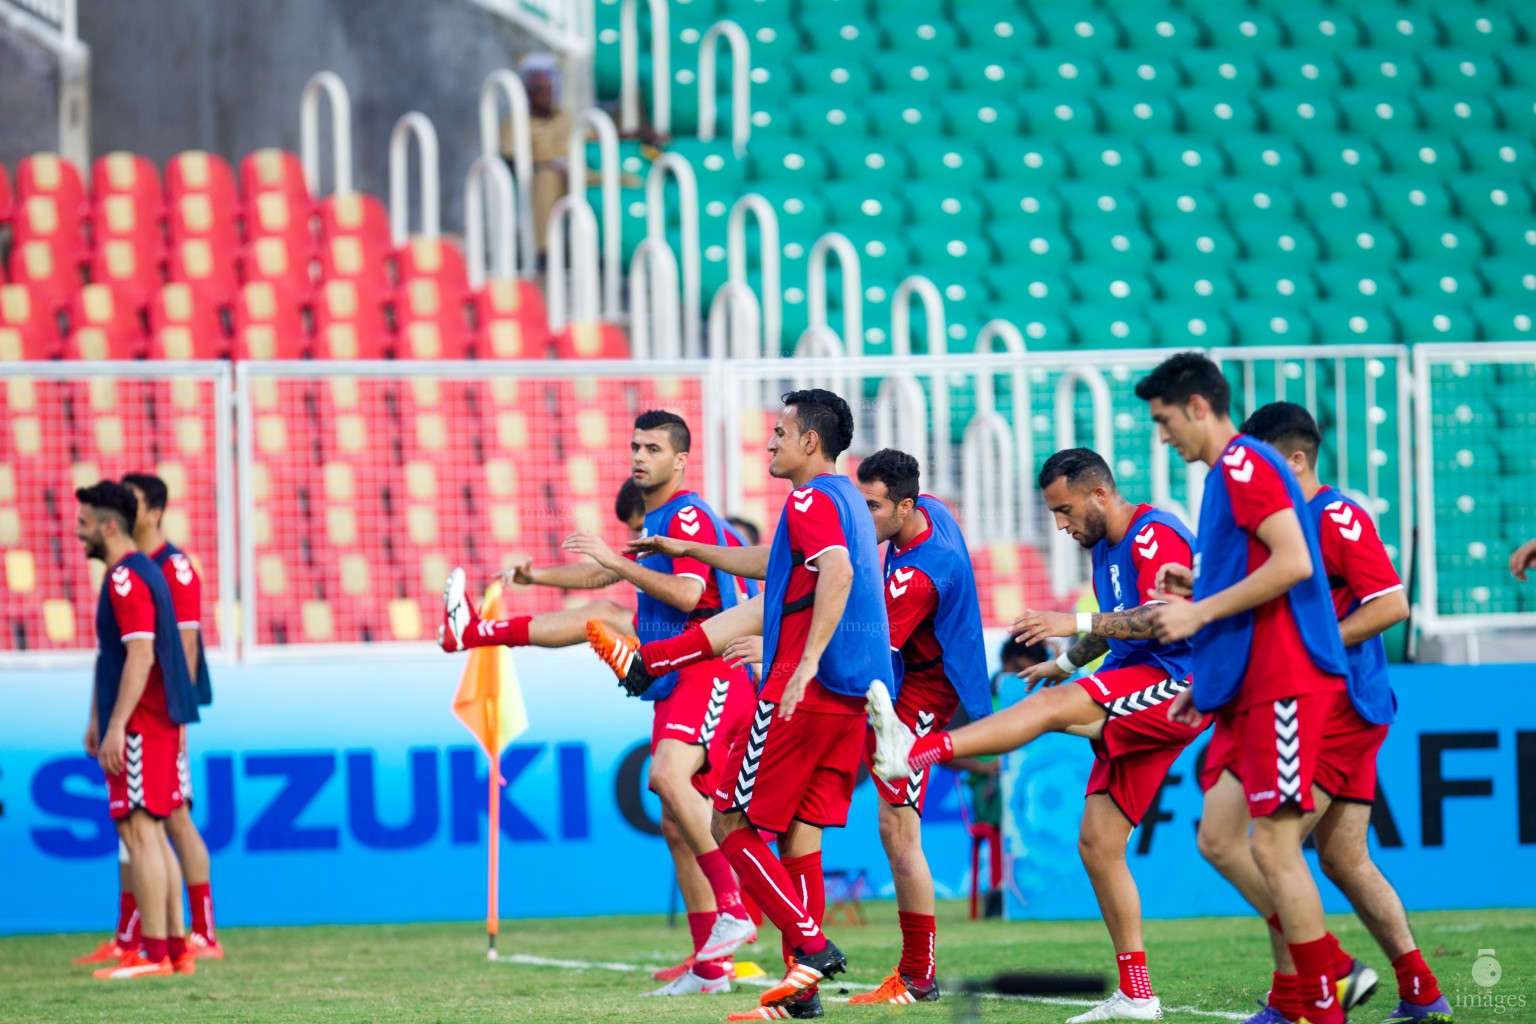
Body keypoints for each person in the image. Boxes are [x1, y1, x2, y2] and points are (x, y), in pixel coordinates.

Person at [867, 448, 1206, 1023]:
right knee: (1098, 846)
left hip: (1177, 683)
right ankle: (1137, 995)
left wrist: (1070, 626)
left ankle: (918, 752)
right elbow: (1117, 621)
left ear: (1100, 494)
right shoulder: (1106, 547)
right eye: (1054, 513)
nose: (1061, 525)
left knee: (1052, 711)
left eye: (1065, 510)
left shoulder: (1155, 534)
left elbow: (1157, 617)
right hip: (1134, 679)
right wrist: (1067, 662)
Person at [589, 389, 892, 1022]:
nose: (770, 442)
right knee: (800, 841)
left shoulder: (808, 499)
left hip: (803, 693)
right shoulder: (843, 501)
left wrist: (805, 662)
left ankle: (806, 948)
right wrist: (692, 550)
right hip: (853, 697)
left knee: (728, 819)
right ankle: (800, 994)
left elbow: (833, 574)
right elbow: (777, 573)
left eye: (780, 432)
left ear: (810, 441)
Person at [445, 413, 758, 998]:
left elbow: (689, 594)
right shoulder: (662, 518)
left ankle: (740, 915)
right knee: (677, 810)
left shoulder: (685, 515)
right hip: (676, 676)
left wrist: (616, 563)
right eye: (635, 446)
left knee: (673, 781)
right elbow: (600, 576)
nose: (639, 456)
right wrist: (538, 574)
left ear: (681, 459)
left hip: (714, 667)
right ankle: (712, 966)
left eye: (653, 448)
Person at [1133, 353, 1357, 1024]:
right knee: (1221, 837)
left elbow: (1292, 561)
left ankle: (1323, 997)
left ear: (1198, 406)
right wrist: (1208, 675)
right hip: (1248, 685)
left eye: (1165, 419)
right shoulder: (1226, 477)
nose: (1163, 434)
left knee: (1272, 846)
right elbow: (1253, 576)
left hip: (1285, 681)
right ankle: (1332, 972)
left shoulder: (1243, 465)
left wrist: (1199, 610)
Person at [1241, 403, 1451, 1024]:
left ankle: (1303, 996)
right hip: (1332, 704)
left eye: (1260, 463)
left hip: (1341, 706)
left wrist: (1313, 644)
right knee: (1342, 860)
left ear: (1296, 459)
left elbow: (1391, 605)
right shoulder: (1283, 523)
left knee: (1273, 850)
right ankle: (1422, 992)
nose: (1249, 477)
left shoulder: (1335, 515)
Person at [75, 481, 200, 980]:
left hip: (142, 724)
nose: (79, 534)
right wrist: (97, 717)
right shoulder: (141, 572)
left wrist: (116, 725)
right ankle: (172, 950)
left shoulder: (125, 579)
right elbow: (114, 656)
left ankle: (152, 954)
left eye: (85, 525)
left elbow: (140, 655)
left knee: (141, 831)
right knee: (153, 832)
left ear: (109, 526)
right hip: (152, 721)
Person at [950, 635, 1051, 920]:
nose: (1021, 677)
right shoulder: (975, 695)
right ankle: (998, 891)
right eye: (1018, 668)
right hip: (989, 794)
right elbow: (943, 752)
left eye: (1029, 671)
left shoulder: (1040, 696)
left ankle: (1045, 890)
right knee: (1007, 798)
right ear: (1005, 661)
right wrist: (989, 770)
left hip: (1036, 788)